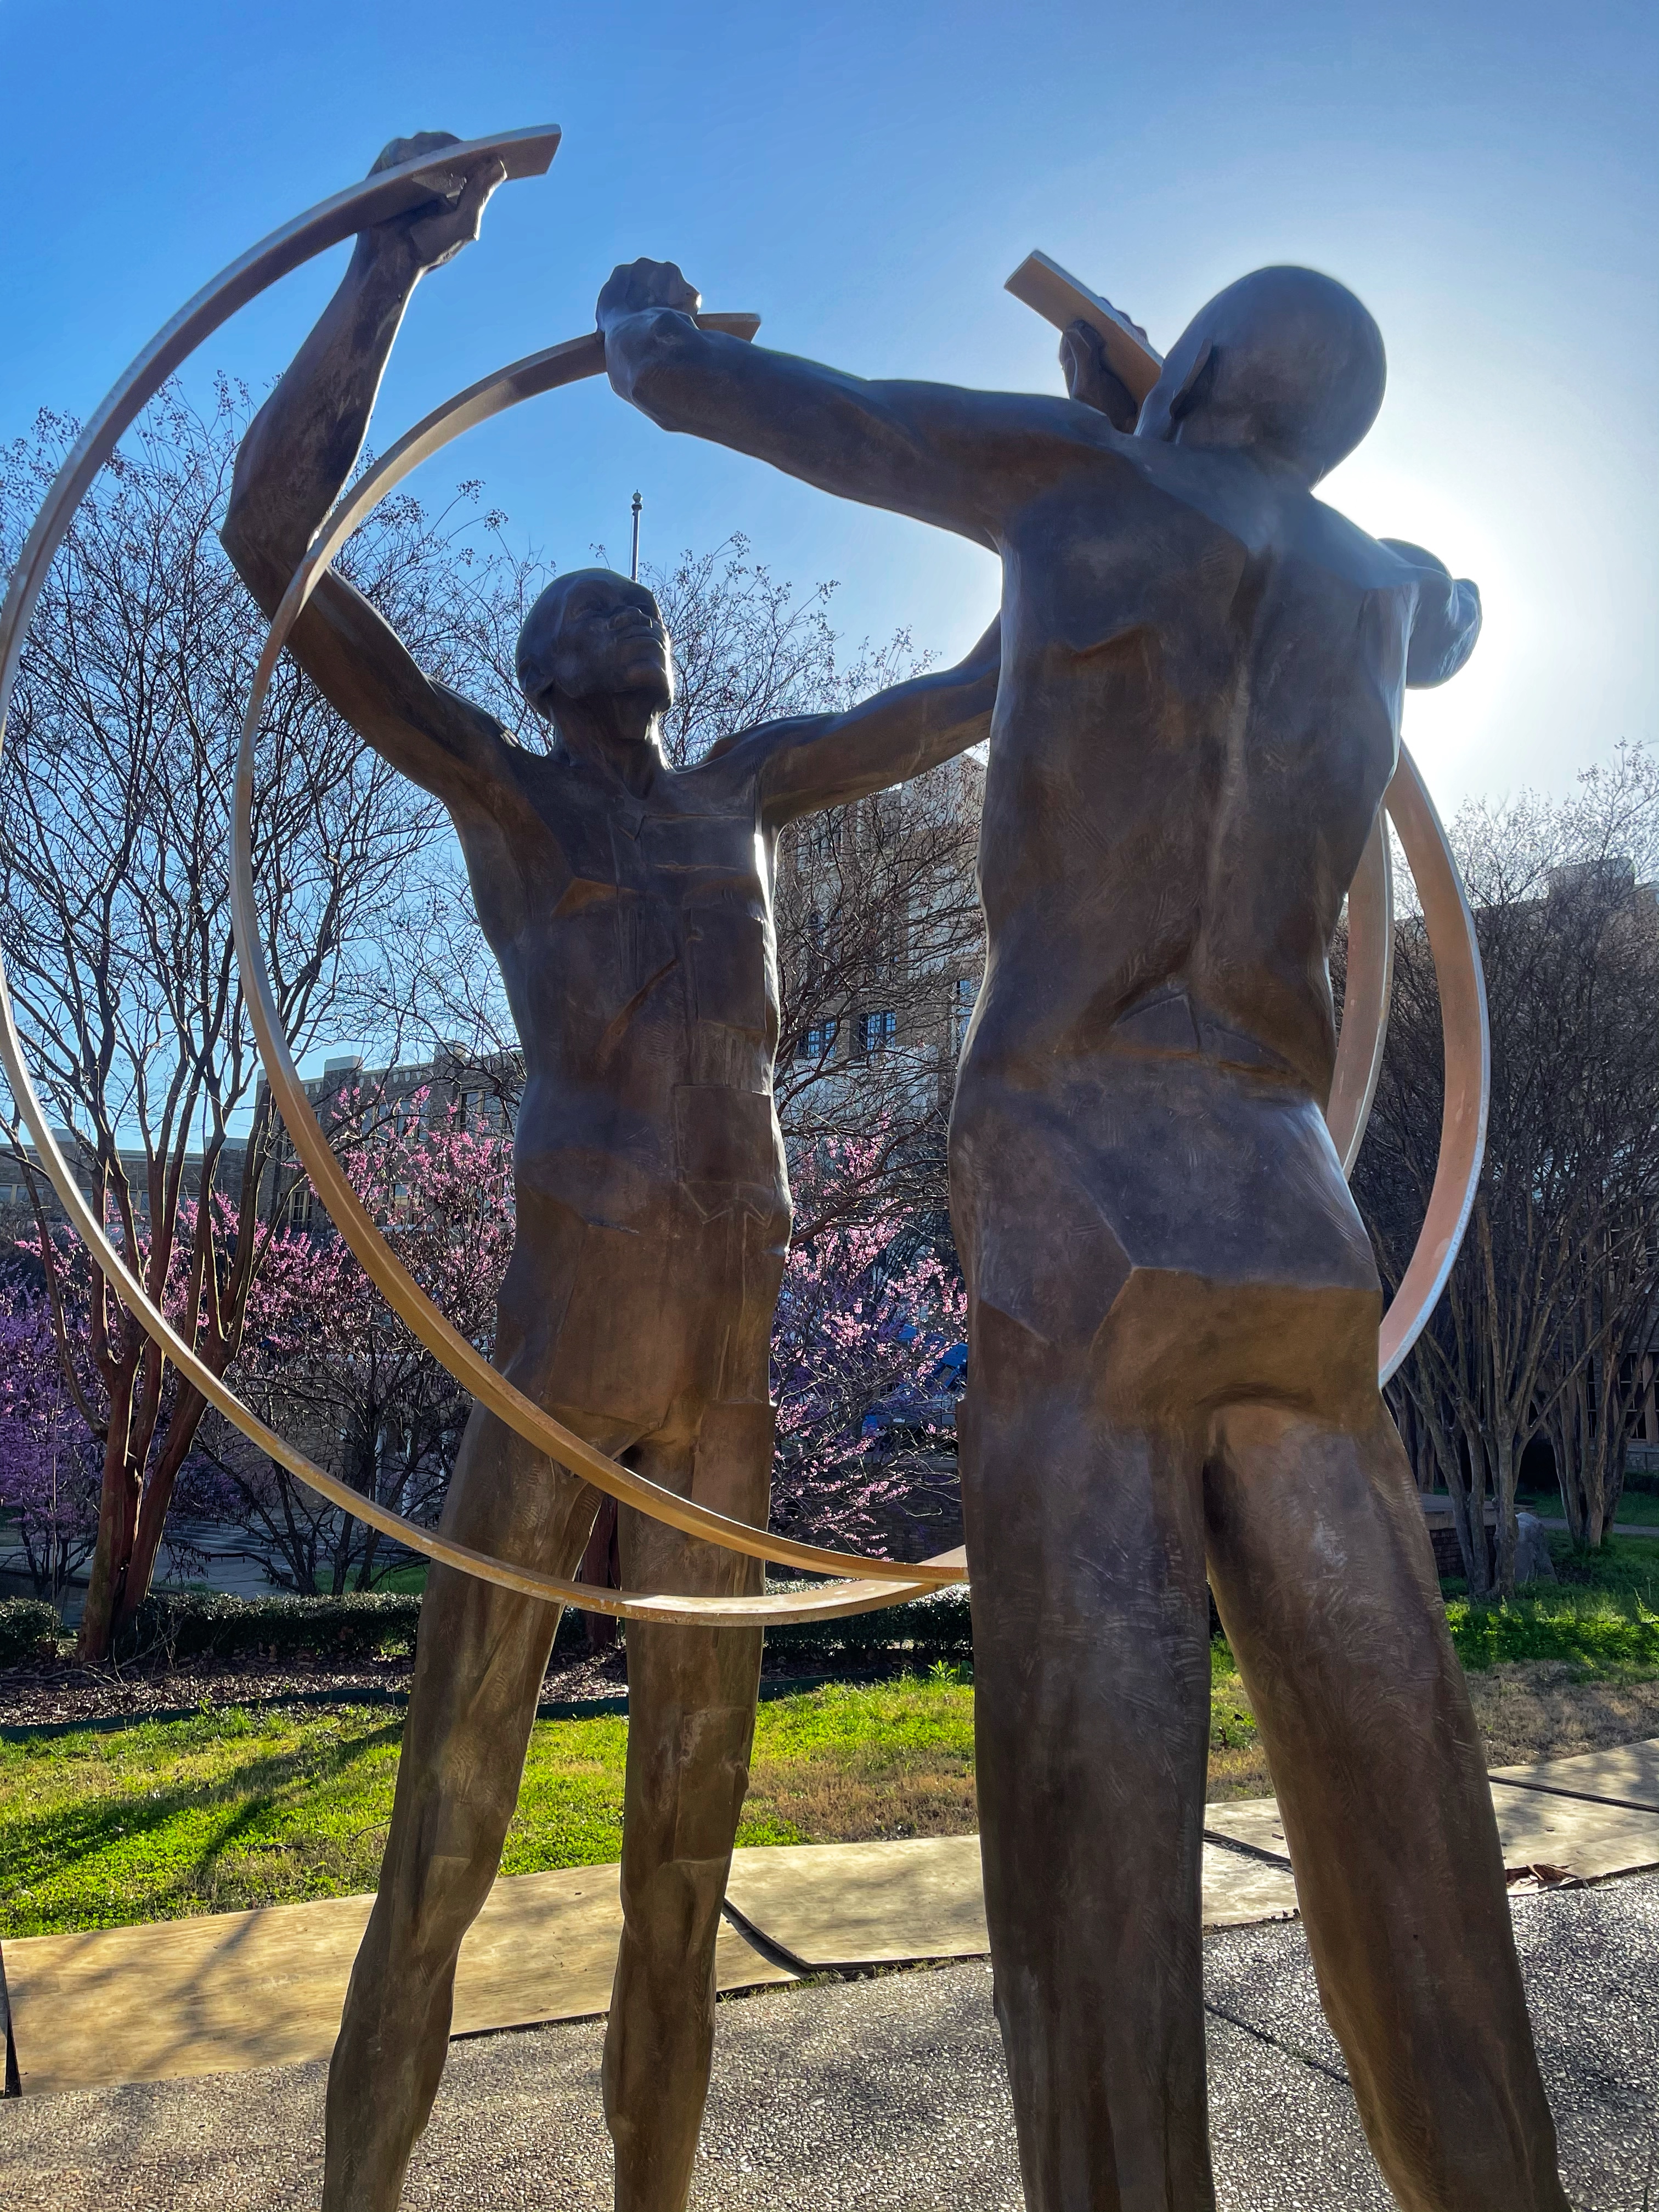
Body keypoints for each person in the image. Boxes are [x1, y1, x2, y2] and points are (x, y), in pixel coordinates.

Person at [597, 256, 1570, 2212]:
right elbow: (1452, 619)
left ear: (1188, 367)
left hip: (1078, 1173)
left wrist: (658, 340)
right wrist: (1329, 516)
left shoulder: (1072, 480)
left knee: (1094, 1860)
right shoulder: (1380, 591)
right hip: (1292, 1209)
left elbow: (789, 410)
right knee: (1414, 1841)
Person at [220, 136, 998, 2212]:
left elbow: (967, 694)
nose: (626, 606)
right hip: (564, 1353)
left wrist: (1091, 482)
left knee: (690, 1841)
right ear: (553, 670)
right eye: (590, 603)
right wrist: (396, 256)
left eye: (635, 601)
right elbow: (274, 534)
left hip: (726, 1375)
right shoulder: (498, 786)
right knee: (449, 1827)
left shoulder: (745, 792)